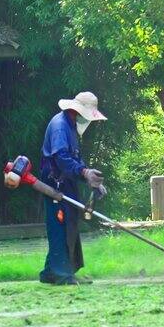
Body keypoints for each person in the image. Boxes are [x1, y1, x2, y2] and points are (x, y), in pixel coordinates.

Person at [39, 91, 107, 285]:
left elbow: (75, 159)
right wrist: (84, 173)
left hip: (66, 181)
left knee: (69, 224)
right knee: (59, 225)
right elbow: (61, 157)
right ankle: (62, 274)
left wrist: (92, 179)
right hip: (54, 183)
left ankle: (52, 271)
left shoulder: (70, 126)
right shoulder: (60, 126)